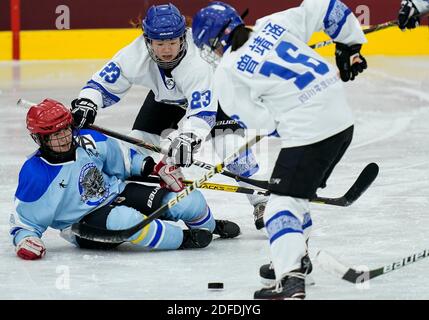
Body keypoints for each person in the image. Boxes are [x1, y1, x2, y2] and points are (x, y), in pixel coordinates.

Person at [192, 0, 368, 299]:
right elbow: (326, 7)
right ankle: (297, 257)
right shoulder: (273, 23)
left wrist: (283, 120)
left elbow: (257, 121)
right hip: (342, 120)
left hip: (311, 133)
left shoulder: (227, 71)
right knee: (294, 196)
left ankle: (290, 281)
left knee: (279, 205)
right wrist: (349, 46)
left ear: (214, 42)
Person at [71, 3, 268, 230]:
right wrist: (88, 101)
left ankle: (262, 200)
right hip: (165, 100)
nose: (167, 50)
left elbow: (202, 112)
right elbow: (102, 83)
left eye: (173, 42)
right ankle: (121, 197)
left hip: (216, 99)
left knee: (232, 148)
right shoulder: (135, 53)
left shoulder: (198, 63)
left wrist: (189, 138)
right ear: (148, 41)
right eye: (160, 43)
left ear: (183, 37)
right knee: (137, 147)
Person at [10, 99, 240, 260]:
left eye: (65, 130)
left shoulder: (89, 140)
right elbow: (25, 222)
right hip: (82, 222)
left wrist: (155, 169)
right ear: (39, 138)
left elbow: (122, 161)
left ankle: (210, 227)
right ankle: (183, 239)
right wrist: (26, 238)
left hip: (116, 193)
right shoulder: (36, 174)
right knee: (128, 219)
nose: (63, 138)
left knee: (190, 201)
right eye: (54, 135)